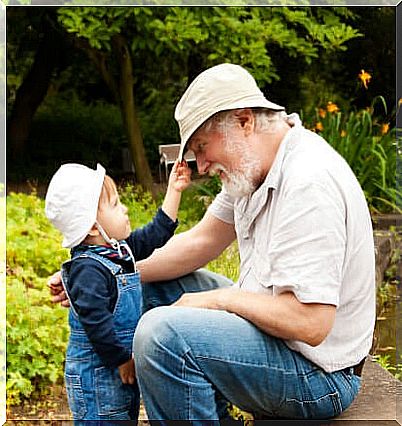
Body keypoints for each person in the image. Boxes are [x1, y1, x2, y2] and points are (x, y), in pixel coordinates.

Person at [50, 63, 376, 421]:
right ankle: (106, 413)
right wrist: (105, 271)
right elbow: (202, 240)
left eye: (202, 147)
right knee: (148, 289)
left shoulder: (307, 182)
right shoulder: (253, 168)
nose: (200, 166)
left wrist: (218, 300)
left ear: (244, 121)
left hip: (319, 374)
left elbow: (310, 323)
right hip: (278, 339)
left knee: (161, 335)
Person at [45, 160, 191, 423]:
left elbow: (155, 235)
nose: (124, 209)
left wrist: (175, 191)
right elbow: (96, 323)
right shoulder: (87, 270)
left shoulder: (119, 251)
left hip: (118, 370)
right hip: (98, 377)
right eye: (114, 205)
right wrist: (121, 360)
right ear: (91, 227)